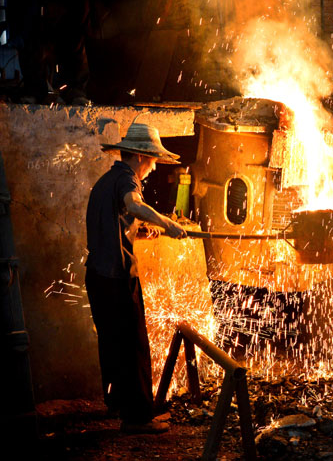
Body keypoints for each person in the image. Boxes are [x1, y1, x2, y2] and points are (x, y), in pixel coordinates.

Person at [85, 122, 187, 433]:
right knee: (135, 347)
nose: (154, 167)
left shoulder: (107, 180)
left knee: (113, 344)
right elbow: (133, 204)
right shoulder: (128, 180)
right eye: (154, 160)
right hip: (117, 278)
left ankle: (116, 405)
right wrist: (167, 223)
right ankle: (139, 418)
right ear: (141, 157)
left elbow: (117, 218)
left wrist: (139, 227)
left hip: (98, 276)